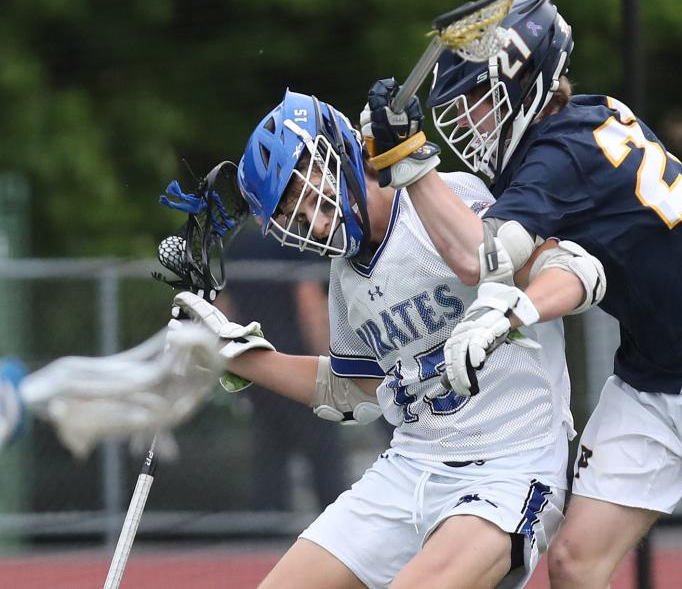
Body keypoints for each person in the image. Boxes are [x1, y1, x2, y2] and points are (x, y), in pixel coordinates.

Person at [364, 0, 682, 589]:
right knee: (575, 563)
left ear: (525, 84)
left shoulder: (564, 152)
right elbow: (527, 258)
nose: (467, 121)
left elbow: (480, 255)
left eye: (476, 101)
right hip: (655, 373)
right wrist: (396, 161)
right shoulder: (584, 121)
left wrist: (413, 162)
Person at [171, 89, 607, 589]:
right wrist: (229, 351)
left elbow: (566, 268)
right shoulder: (345, 275)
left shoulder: (445, 201)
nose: (317, 223)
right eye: (297, 218)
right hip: (409, 466)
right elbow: (352, 389)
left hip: (508, 467)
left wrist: (509, 312)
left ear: (348, 153)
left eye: (315, 197)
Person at [220, 224, 350, 512]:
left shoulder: (239, 242)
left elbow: (224, 306)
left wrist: (233, 358)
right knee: (324, 452)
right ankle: (336, 523)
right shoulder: (292, 239)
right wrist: (331, 359)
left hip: (258, 366)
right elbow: (309, 304)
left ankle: (266, 531)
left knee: (269, 452)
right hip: (299, 364)